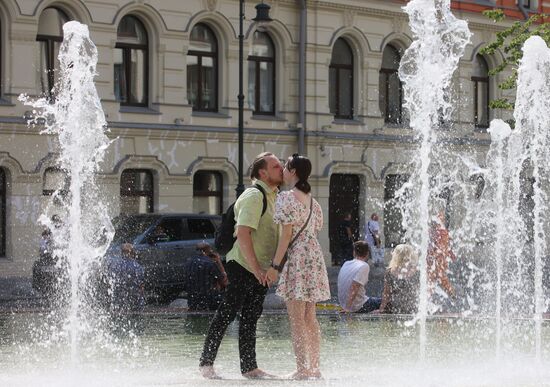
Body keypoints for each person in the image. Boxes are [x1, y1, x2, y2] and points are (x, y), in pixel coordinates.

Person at [199, 152, 283, 379]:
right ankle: (206, 365)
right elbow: (244, 233)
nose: (281, 169)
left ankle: (249, 367)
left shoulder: (275, 196)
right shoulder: (254, 195)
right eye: (276, 166)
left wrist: (266, 268)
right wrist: (256, 269)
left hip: (260, 268)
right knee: (227, 312)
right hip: (243, 264)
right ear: (262, 172)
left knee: (251, 316)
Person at [266, 153, 330, 380]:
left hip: (298, 258)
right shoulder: (313, 201)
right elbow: (315, 230)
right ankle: (314, 367)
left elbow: (286, 236)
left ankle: (302, 369)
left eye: (285, 166)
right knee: (310, 318)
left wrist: (275, 265)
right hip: (314, 257)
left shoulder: (286, 198)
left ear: (293, 171)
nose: (282, 170)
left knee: (296, 318)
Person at [373, 244, 420, 314]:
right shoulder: (417, 272)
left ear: (396, 256)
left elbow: (386, 293)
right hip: (413, 307)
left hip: (395, 307)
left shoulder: (390, 272)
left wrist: (381, 309)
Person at [338, 241, 381, 313]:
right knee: (387, 302)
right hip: (357, 306)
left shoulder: (346, 263)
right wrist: (347, 308)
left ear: (354, 252)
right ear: (367, 253)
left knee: (373, 299)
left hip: (343, 304)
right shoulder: (364, 265)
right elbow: (354, 287)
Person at [184, 242, 228, 311]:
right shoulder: (210, 263)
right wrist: (219, 261)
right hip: (209, 303)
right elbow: (224, 282)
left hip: (192, 302)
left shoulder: (188, 262)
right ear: (208, 251)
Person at [106, 243, 145, 313]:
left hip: (119, 304)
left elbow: (110, 284)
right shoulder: (138, 267)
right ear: (132, 253)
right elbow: (141, 287)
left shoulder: (114, 266)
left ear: (121, 252)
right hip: (134, 303)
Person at [427, 211, 456, 298]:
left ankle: (428, 296)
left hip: (438, 258)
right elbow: (448, 245)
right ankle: (450, 292)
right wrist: (451, 255)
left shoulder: (440, 232)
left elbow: (445, 245)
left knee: (434, 277)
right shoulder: (442, 232)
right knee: (439, 276)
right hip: (437, 258)